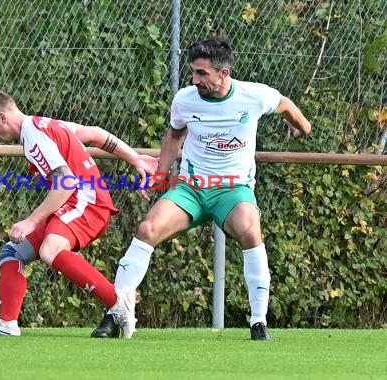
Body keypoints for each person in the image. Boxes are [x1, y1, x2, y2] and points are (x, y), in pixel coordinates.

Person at [91, 37, 312, 340]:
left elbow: (285, 104)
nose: (195, 80)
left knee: (250, 230)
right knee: (147, 228)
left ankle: (258, 322)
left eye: (202, 74)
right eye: (193, 72)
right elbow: (174, 136)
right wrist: (161, 175)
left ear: (224, 74)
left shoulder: (254, 96)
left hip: (233, 190)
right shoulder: (185, 99)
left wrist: (302, 126)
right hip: (191, 188)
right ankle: (116, 314)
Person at [0, 90, 158, 336]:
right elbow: (96, 134)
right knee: (12, 253)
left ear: (2, 117)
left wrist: (31, 221)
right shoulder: (45, 124)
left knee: (50, 250)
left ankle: (118, 303)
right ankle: (6, 325)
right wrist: (136, 159)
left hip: (86, 202)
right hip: (77, 202)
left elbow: (65, 183)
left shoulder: (34, 136)